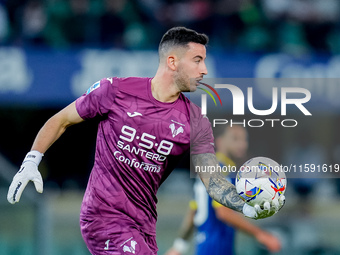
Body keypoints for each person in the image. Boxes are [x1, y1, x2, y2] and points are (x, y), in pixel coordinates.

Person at [7, 27, 284, 255]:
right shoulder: (115, 90)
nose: (205, 70)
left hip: (144, 226)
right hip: (104, 218)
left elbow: (212, 179)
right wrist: (32, 160)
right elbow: (62, 119)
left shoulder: (196, 121)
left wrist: (243, 203)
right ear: (172, 61)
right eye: (198, 60)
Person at [165, 126, 282, 255]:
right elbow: (223, 212)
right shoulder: (222, 170)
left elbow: (193, 211)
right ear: (220, 142)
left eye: (244, 139)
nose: (242, 144)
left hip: (205, 247)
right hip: (216, 248)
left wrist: (179, 246)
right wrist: (260, 234)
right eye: (235, 139)